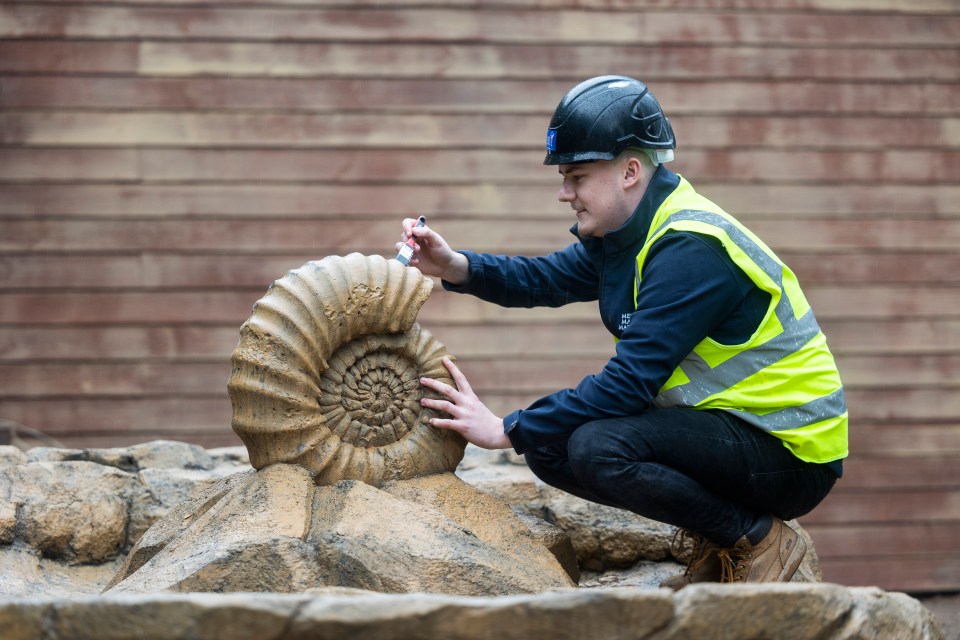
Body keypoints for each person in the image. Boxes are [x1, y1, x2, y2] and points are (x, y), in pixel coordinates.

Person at [399, 75, 848, 587]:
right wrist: (455, 265)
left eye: (577, 176)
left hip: (789, 448)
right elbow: (545, 278)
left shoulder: (689, 249)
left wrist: (506, 428)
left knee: (595, 447)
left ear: (630, 170)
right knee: (550, 445)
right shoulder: (631, 233)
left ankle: (754, 537)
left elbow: (626, 385)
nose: (564, 193)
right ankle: (724, 540)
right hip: (729, 429)